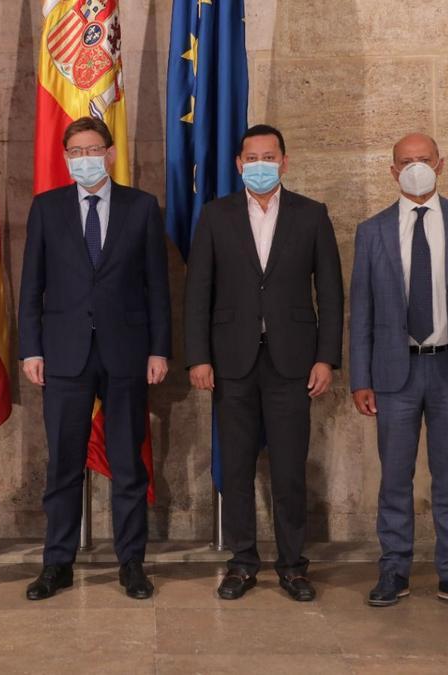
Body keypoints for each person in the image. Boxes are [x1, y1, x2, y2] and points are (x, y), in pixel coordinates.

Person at [184, 124, 343, 602]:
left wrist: (327, 359)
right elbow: (197, 295)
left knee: (290, 470)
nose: (259, 164)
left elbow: (331, 295)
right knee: (235, 469)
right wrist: (198, 357)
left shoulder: (312, 215)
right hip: (231, 362)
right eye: (250, 157)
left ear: (284, 162)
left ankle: (294, 565)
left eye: (268, 156)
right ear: (238, 164)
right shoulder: (215, 216)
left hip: (293, 363)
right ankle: (242, 562)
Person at [349, 133, 448, 612]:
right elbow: (362, 311)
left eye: (423, 160)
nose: (416, 167)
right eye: (406, 161)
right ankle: (393, 569)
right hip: (394, 373)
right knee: (394, 477)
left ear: (440, 163)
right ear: (392, 171)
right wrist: (361, 378)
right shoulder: (372, 231)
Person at [18, 116, 171, 601]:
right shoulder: (46, 208)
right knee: (63, 465)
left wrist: (159, 348)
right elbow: (31, 288)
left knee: (128, 464)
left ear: (109, 153)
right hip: (63, 354)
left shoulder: (141, 207)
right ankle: (56, 564)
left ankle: (131, 563)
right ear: (66, 158)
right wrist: (30, 348)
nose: (84, 158)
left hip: (126, 353)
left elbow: (157, 287)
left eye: (93, 149)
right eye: (75, 151)